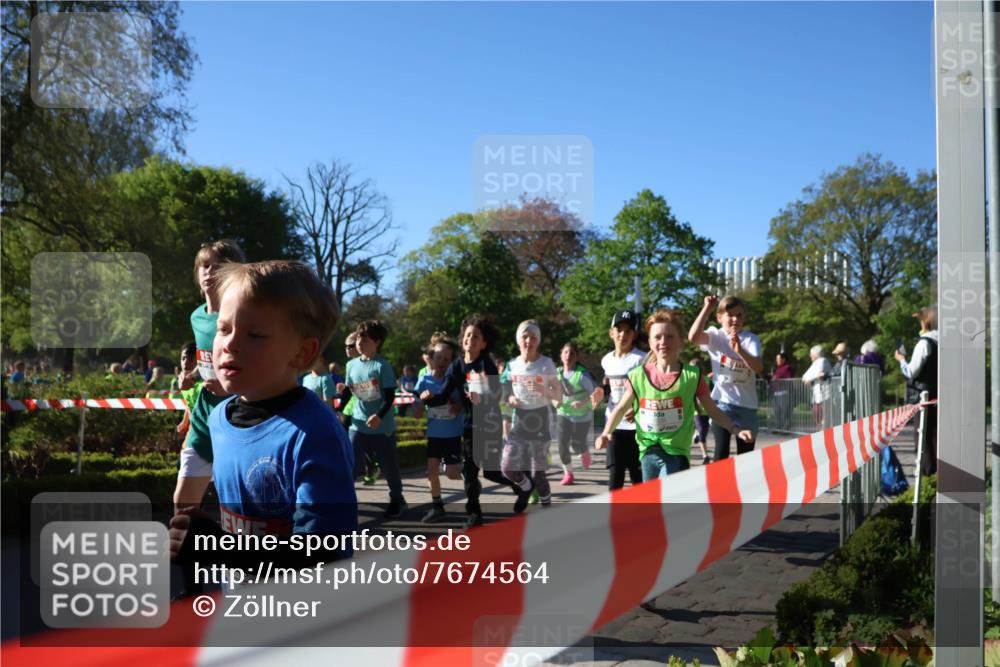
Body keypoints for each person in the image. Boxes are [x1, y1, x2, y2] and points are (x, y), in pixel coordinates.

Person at [169, 260, 356, 586]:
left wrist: (219, 547)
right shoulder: (217, 418)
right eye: (224, 329)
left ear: (301, 352)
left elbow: (319, 554)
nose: (229, 343)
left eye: (254, 334)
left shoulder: (315, 435)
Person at [596, 310, 753, 480]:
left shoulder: (692, 376)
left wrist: (735, 429)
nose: (663, 342)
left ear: (680, 342)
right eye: (657, 337)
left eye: (669, 336)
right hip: (647, 453)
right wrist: (606, 432)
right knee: (653, 503)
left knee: (666, 500)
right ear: (649, 342)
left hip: (676, 455)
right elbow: (620, 408)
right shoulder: (637, 375)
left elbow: (713, 410)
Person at [421, 314, 521, 530]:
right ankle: (474, 516)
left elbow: (496, 395)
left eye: (476, 336)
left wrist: (482, 398)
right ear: (462, 339)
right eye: (468, 335)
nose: (471, 339)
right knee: (471, 472)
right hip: (470, 426)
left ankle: (520, 484)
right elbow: (444, 394)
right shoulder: (456, 367)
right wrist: (429, 398)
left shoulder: (486, 364)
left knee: (492, 473)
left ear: (483, 343)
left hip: (490, 423)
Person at [174, 239, 246, 511]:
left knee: (239, 506)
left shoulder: (243, 316)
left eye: (217, 267)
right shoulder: (196, 317)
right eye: (204, 266)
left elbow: (256, 365)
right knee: (183, 501)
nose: (208, 272)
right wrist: (192, 374)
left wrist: (230, 387)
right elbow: (208, 357)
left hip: (238, 416)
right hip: (204, 416)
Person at [341, 320, 408, 518]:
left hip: (381, 427)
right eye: (359, 337)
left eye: (366, 339)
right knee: (350, 463)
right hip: (358, 424)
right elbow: (348, 393)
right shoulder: (351, 365)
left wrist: (378, 415)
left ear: (377, 342)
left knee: (388, 466)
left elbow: (390, 397)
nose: (360, 342)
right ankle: (345, 501)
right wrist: (337, 411)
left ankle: (397, 499)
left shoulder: (382, 366)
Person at [689, 295, 764, 460]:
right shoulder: (715, 336)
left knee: (745, 458)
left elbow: (758, 368)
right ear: (719, 317)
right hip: (722, 404)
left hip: (747, 407)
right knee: (720, 454)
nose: (735, 319)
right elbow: (693, 337)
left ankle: (742, 486)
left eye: (739, 315)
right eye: (730, 315)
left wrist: (740, 351)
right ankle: (719, 486)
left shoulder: (751, 339)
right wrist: (706, 308)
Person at [501, 320, 563, 508]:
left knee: (538, 473)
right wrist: (510, 398)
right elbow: (504, 390)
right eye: (525, 337)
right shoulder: (512, 365)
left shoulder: (546, 364)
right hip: (519, 419)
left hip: (540, 420)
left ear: (538, 341)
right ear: (518, 340)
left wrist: (541, 389)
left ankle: (546, 506)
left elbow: (559, 397)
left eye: (533, 337)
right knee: (507, 467)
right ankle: (526, 487)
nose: (529, 341)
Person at [414, 338, 464, 523]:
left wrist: (459, 405)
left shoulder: (454, 381)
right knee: (431, 472)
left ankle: (468, 476)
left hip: (452, 434)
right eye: (439, 357)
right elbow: (418, 402)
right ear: (431, 358)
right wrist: (418, 406)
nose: (442, 362)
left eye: (446, 359)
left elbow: (464, 401)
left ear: (451, 362)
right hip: (434, 434)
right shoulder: (424, 380)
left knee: (451, 474)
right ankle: (437, 507)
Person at [601, 310, 646, 490]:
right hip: (614, 424)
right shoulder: (606, 360)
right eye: (619, 330)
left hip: (637, 426)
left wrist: (636, 407)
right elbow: (610, 387)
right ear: (611, 333)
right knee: (615, 473)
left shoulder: (641, 359)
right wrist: (600, 392)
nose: (623, 335)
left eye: (628, 331)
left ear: (634, 334)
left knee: (638, 476)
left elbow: (649, 390)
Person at [895, 306, 938, 476]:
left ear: (925, 322)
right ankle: (936, 476)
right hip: (938, 394)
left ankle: (926, 475)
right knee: (935, 437)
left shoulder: (924, 343)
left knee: (923, 439)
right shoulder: (941, 341)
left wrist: (901, 360)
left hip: (924, 397)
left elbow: (911, 372)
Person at [556, 342, 598, 484]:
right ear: (561, 355)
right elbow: (549, 392)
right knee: (562, 444)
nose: (568, 356)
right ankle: (568, 474)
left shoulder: (582, 374)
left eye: (572, 353)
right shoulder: (557, 373)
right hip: (563, 413)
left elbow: (596, 393)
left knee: (577, 444)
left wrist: (582, 402)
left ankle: (583, 451)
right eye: (566, 352)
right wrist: (554, 401)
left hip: (582, 415)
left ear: (576, 357)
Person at [802, 345, 833, 429]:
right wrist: (813, 377)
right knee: (817, 417)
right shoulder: (814, 363)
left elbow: (820, 374)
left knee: (824, 418)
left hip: (824, 395)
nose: (810, 356)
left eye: (811, 354)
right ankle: (820, 433)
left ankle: (824, 434)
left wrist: (811, 378)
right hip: (817, 395)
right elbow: (804, 377)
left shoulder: (823, 360)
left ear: (816, 354)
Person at [689, 358, 713, 463]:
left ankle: (697, 434)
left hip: (707, 410)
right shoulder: (689, 380)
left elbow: (712, 393)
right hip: (696, 411)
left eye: (696, 369)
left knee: (704, 431)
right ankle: (705, 456)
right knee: (702, 431)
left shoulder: (706, 380)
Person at [771, 351, 795, 431]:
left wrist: (777, 379)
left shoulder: (788, 368)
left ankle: (785, 429)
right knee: (777, 412)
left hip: (785, 393)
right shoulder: (777, 369)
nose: (777, 361)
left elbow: (788, 379)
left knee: (785, 412)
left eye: (778, 359)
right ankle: (778, 428)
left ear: (783, 360)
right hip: (777, 393)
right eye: (776, 359)